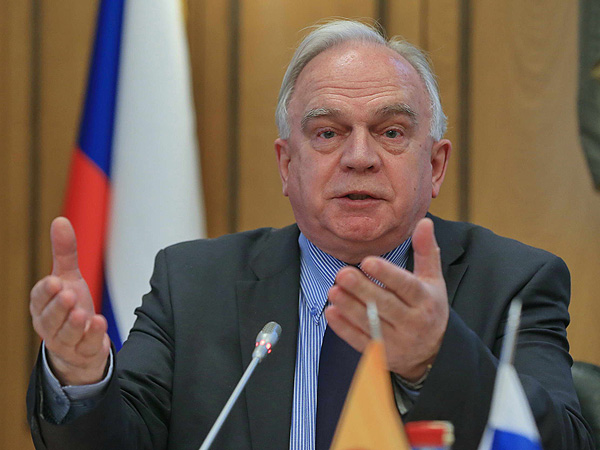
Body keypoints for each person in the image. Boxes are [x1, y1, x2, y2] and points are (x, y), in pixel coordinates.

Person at [27, 20, 594, 450]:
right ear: (286, 165)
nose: (359, 157)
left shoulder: (513, 282)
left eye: (391, 132)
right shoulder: (193, 285)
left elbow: (566, 440)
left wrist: (435, 359)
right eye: (327, 133)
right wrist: (81, 376)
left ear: (436, 165)